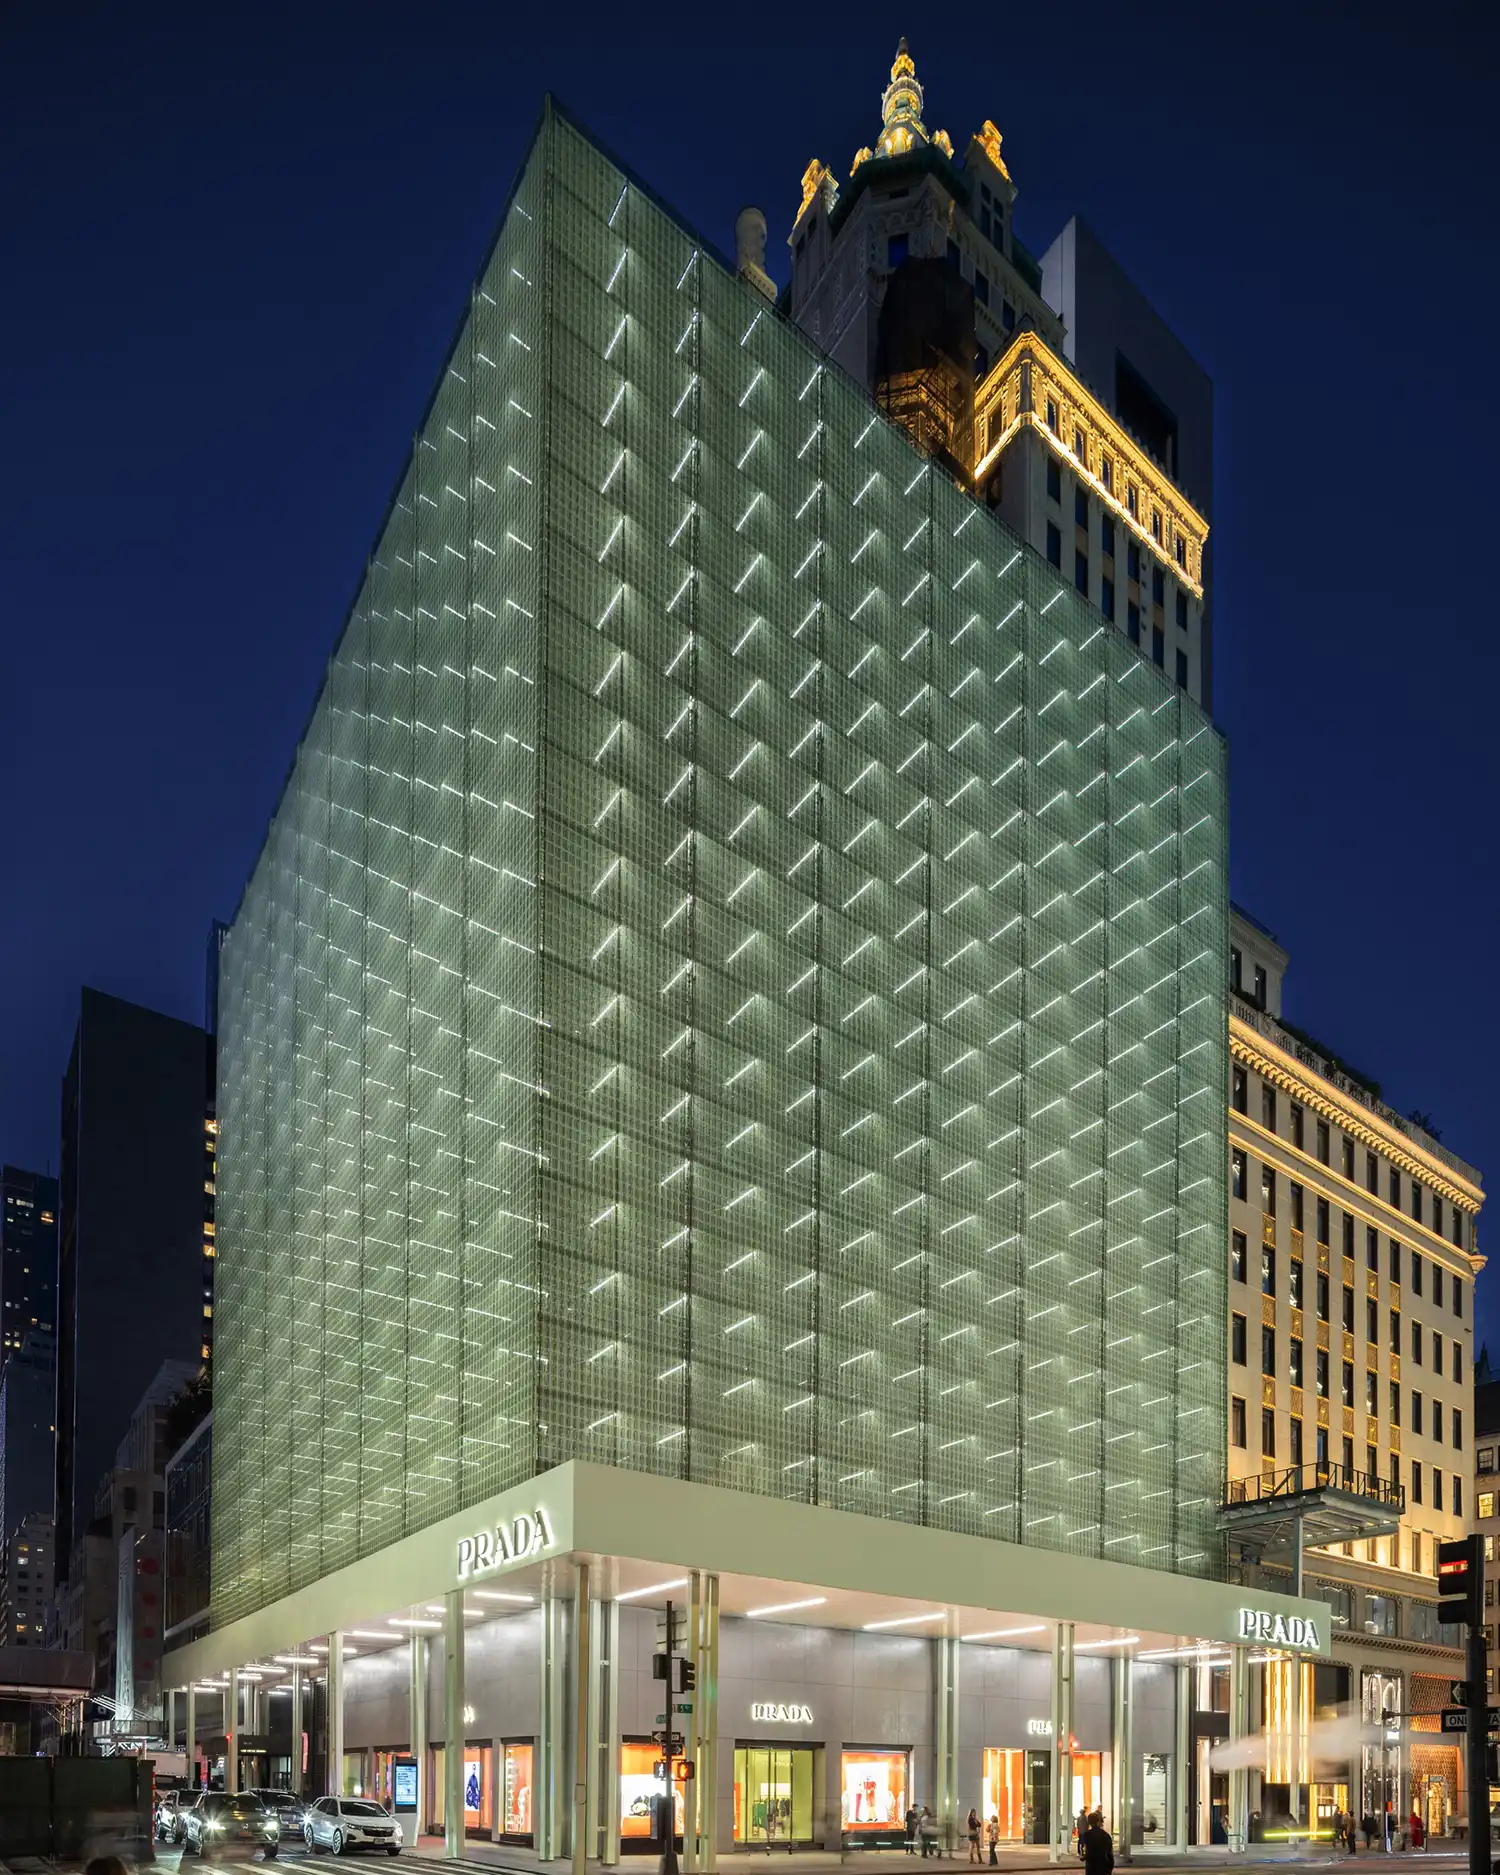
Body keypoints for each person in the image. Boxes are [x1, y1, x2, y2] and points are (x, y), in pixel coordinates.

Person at [1078, 1809, 1114, 1875]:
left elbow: (1088, 1852)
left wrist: (1083, 1858)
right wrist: (1110, 1869)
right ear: (1098, 1822)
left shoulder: (1087, 1835)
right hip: (1103, 1866)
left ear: (1089, 1823)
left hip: (1091, 1866)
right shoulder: (1106, 1835)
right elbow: (1110, 1854)